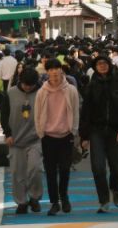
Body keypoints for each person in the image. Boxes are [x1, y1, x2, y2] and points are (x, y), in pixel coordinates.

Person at [79, 53, 118, 212]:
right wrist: (84, 136)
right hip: (96, 131)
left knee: (117, 167)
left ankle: (115, 188)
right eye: (99, 64)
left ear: (109, 65)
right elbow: (85, 112)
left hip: (116, 130)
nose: (102, 66)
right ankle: (103, 200)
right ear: (95, 67)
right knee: (98, 167)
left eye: (104, 63)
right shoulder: (91, 86)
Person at [34, 58, 80, 215]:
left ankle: (64, 196)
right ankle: (54, 202)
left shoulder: (71, 90)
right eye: (50, 69)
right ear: (47, 72)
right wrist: (40, 132)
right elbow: (37, 114)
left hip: (66, 135)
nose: (54, 72)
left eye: (56, 68)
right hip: (48, 136)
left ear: (61, 70)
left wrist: (74, 131)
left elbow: (76, 111)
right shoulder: (42, 92)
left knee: (65, 169)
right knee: (50, 171)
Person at [3, 67, 44, 214]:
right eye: (26, 84)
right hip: (15, 140)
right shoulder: (10, 93)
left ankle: (35, 197)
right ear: (20, 81)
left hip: (36, 139)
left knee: (35, 169)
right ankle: (21, 202)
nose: (28, 88)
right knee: (17, 174)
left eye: (31, 85)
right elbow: (4, 115)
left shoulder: (42, 92)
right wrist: (7, 134)